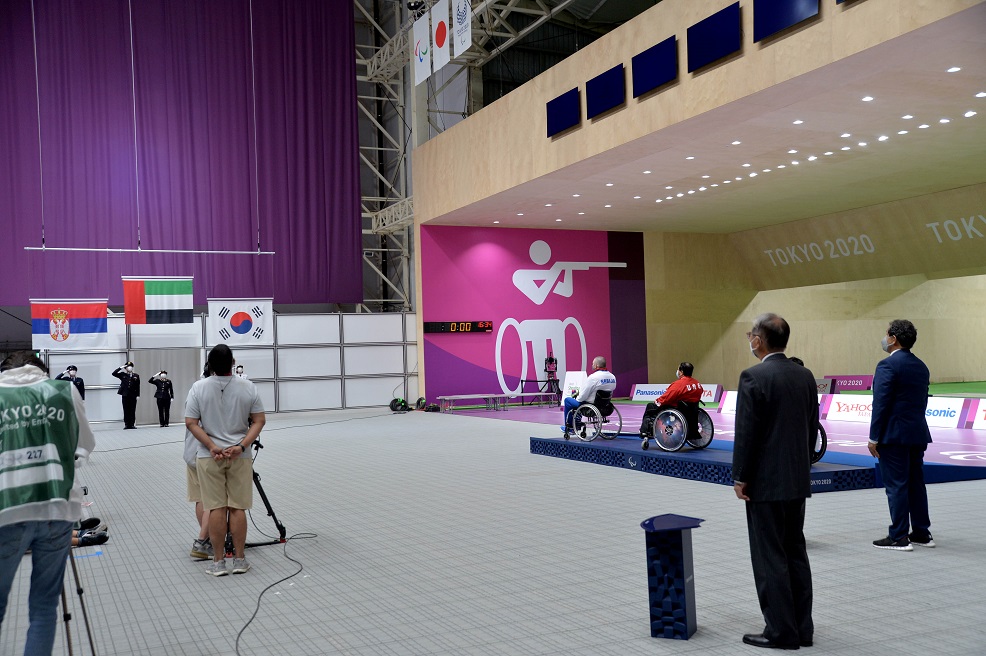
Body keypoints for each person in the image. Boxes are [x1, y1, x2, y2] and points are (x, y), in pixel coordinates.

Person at [0, 351, 96, 654]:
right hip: (58, 508)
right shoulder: (64, 391)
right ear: (42, 370)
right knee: (44, 605)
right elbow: (85, 445)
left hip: (6, 509)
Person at [732, 314, 817, 650]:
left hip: (765, 483)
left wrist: (740, 476)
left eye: (750, 334)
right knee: (795, 551)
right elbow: (811, 429)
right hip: (797, 479)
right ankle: (802, 627)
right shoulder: (804, 375)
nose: (749, 339)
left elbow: (746, 434)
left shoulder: (753, 376)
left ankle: (781, 631)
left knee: (769, 557)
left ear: (759, 340)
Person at [185, 345, 265, 576]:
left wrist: (212, 446)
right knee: (238, 507)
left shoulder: (198, 388)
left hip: (209, 457)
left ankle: (218, 562)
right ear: (233, 363)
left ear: (209, 365)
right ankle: (239, 559)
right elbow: (259, 420)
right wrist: (241, 446)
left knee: (216, 507)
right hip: (240, 456)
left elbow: (191, 422)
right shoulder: (248, 387)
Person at [868, 319, 934, 551]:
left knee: (896, 485)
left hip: (894, 435)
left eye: (887, 334)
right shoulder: (921, 366)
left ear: (893, 338)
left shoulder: (887, 365)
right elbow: (923, 401)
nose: (885, 338)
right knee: (916, 484)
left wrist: (874, 437)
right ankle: (922, 533)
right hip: (917, 433)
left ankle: (898, 536)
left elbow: (881, 404)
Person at [639, 361, 704, 437]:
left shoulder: (678, 384)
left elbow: (667, 397)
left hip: (678, 409)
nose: (677, 371)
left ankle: (644, 431)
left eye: (678, 369)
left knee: (650, 406)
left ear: (681, 372)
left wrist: (657, 401)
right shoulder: (697, 383)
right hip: (692, 410)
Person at [561, 356, 617, 433]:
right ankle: (576, 423)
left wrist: (577, 397)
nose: (592, 365)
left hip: (590, 407)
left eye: (593, 364)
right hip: (606, 407)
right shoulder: (613, 377)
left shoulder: (593, 377)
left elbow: (582, 397)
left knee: (568, 401)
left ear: (597, 365)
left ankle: (570, 428)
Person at [112, 360, 140, 429]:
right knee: (126, 409)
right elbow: (114, 373)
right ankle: (127, 424)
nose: (129, 368)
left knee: (132, 410)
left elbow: (138, 386)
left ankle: (132, 424)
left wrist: (138, 395)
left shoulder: (136, 376)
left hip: (133, 395)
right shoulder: (122, 375)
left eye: (131, 366)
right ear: (125, 368)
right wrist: (120, 368)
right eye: (128, 367)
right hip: (125, 394)